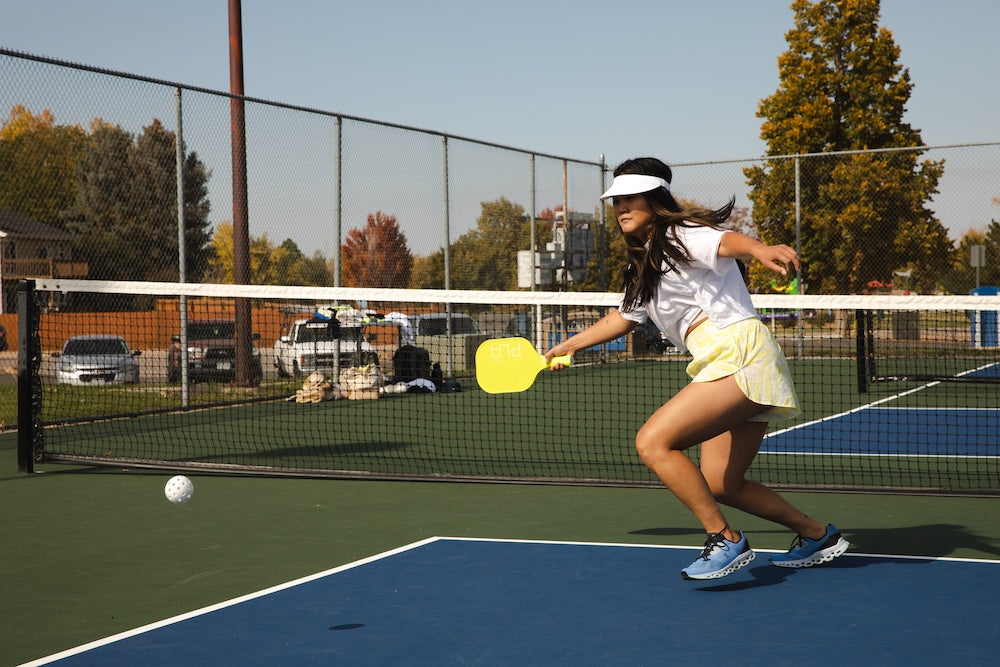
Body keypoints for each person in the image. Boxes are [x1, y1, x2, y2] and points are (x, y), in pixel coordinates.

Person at [544, 157, 848, 580]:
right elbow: (623, 319)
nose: (621, 208)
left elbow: (725, 241)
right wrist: (568, 347)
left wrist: (761, 249)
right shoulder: (642, 262)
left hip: (737, 352)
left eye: (631, 198)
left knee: (653, 442)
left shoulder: (679, 234)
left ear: (654, 199)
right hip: (732, 359)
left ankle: (724, 538)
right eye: (617, 201)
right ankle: (817, 535)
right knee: (722, 483)